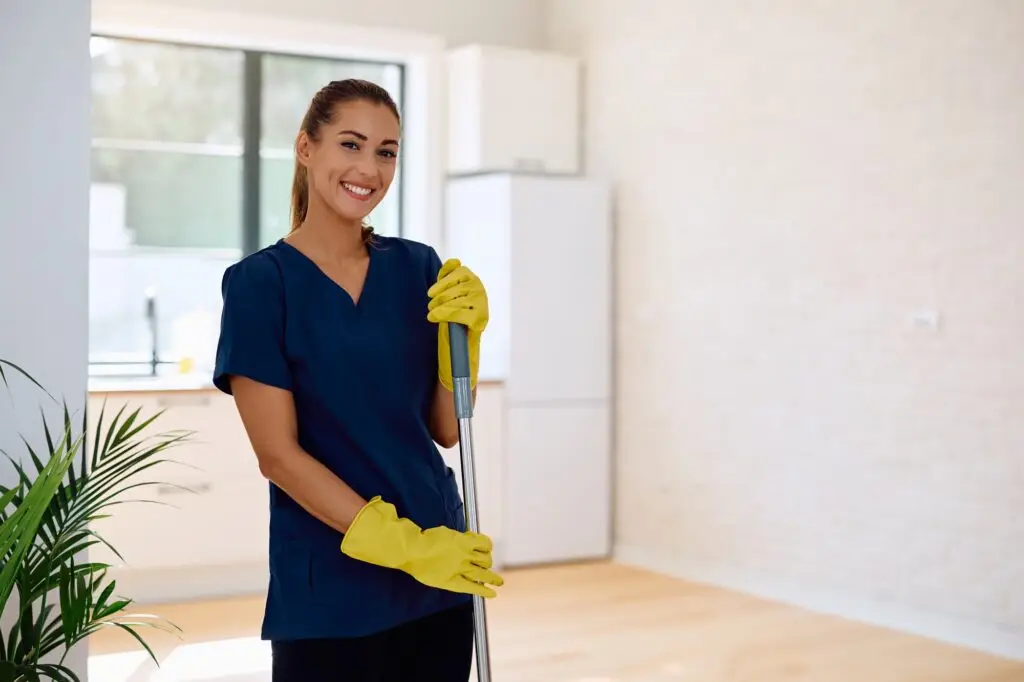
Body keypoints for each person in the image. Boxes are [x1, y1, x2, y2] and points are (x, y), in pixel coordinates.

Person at [212, 78, 503, 681]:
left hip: (440, 572)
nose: (369, 168)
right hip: (332, 588)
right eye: (351, 144)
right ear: (306, 148)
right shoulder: (261, 285)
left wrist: (463, 346)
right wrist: (406, 548)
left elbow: (445, 430)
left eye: (387, 151)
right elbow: (278, 457)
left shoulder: (419, 266)